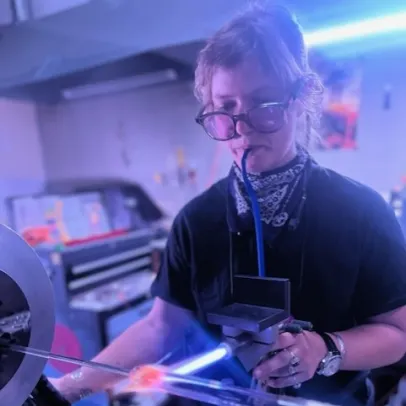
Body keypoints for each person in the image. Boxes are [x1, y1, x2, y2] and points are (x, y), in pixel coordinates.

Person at [51, 3, 406, 405]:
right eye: (226, 109)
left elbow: (398, 334)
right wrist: (68, 386)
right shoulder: (196, 221)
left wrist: (326, 349)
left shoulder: (362, 211)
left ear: (300, 96)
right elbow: (161, 327)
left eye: (264, 104)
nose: (241, 129)